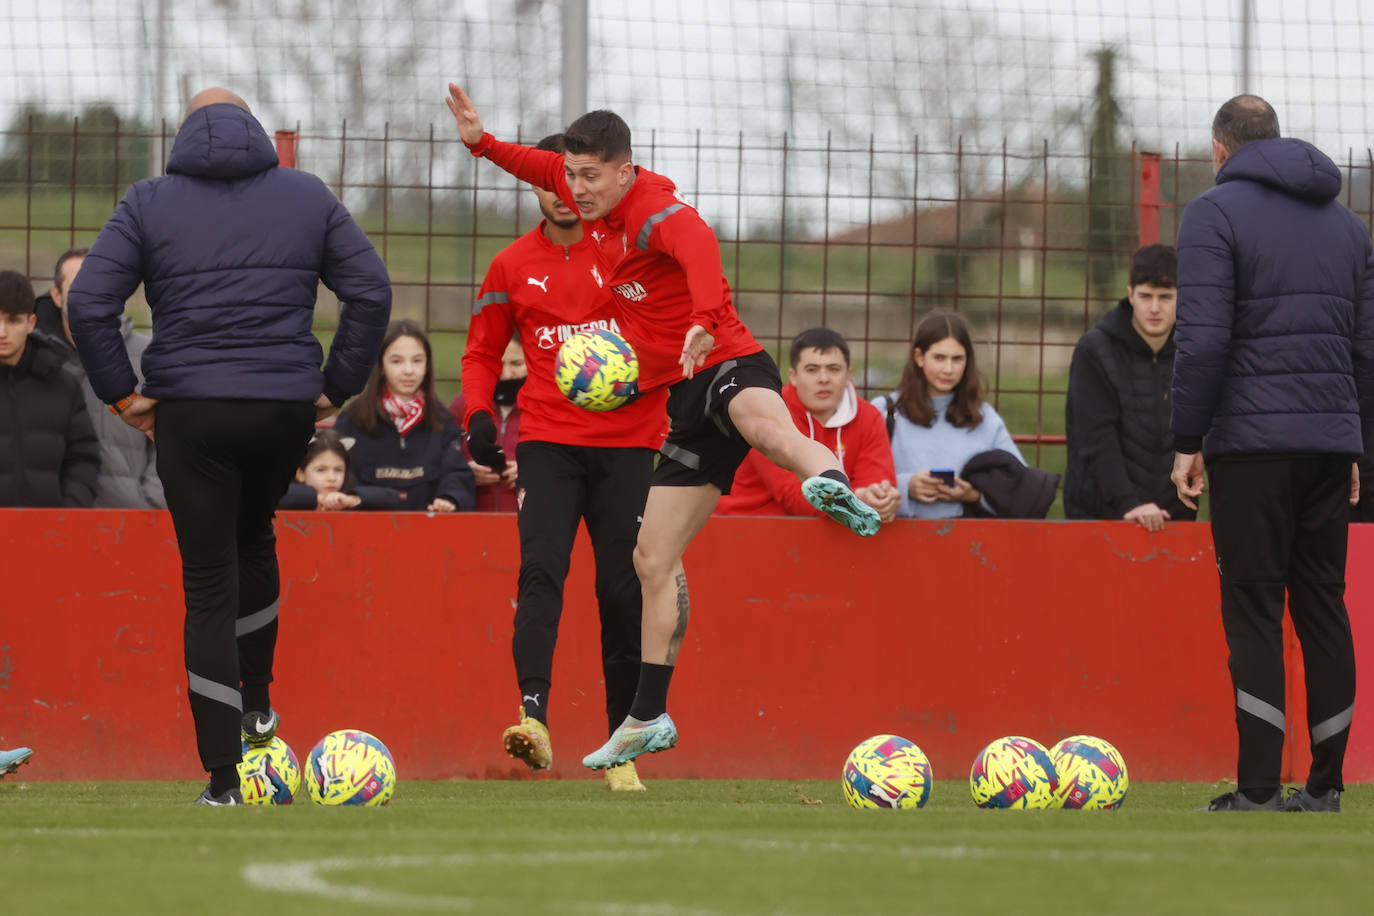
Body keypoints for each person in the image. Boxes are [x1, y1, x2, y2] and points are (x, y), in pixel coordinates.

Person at [446, 85, 882, 771]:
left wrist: (706, 321)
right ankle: (646, 715)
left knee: (762, 424)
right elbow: (538, 167)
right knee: (650, 561)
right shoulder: (575, 202)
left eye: (591, 176)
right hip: (667, 397)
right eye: (573, 175)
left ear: (625, 170)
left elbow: (698, 242)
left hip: (723, 359)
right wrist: (481, 145)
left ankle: (829, 479)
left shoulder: (650, 210)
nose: (576, 188)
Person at [66, 88, 392, 806]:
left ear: (185, 133)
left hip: (191, 412)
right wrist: (332, 386)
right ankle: (259, 706)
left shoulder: (150, 200)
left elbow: (87, 302)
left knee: (208, 583)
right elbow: (369, 289)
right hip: (282, 411)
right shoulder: (306, 195)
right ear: (254, 131)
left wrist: (124, 396)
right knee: (255, 538)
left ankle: (222, 778)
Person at [1171, 95, 1368, 813]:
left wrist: (1187, 440)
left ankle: (1256, 789)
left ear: (1221, 149)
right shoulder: (1349, 227)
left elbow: (1205, 339)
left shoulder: (1212, 215)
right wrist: (1355, 444)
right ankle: (1325, 786)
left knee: (1254, 606)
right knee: (1322, 604)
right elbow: (1366, 351)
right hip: (1328, 444)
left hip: (1251, 447)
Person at [459, 133, 673, 790]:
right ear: (533, 185)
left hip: (630, 444)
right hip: (549, 442)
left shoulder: (632, 248)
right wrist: (478, 420)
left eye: (577, 178)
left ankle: (621, 747)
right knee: (541, 573)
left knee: (620, 590)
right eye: (550, 180)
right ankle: (533, 720)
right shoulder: (511, 265)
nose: (563, 192)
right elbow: (481, 356)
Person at [1064, 244, 1193, 531]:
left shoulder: (1193, 352)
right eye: (1146, 296)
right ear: (1130, 294)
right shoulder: (1095, 350)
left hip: (1173, 518)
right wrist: (1129, 504)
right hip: (1100, 515)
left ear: (1181, 298)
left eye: (1166, 297)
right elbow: (1096, 437)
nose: (1155, 308)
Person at [717, 327, 899, 523]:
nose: (823, 379)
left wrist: (880, 497)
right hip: (742, 529)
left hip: (828, 534)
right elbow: (793, 497)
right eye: (812, 370)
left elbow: (876, 481)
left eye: (834, 369)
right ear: (793, 376)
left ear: (849, 375)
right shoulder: (767, 413)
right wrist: (860, 499)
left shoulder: (869, 416)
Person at [43, 247, 166, 509]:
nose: (89, 292)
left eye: (97, 283)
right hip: (58, 521)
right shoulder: (39, 361)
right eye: (78, 285)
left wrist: (152, 501)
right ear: (56, 295)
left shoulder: (147, 355)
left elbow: (172, 435)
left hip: (136, 520)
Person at [873, 311, 1025, 519]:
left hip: (966, 543)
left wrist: (972, 495)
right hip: (894, 540)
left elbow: (1021, 486)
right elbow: (856, 481)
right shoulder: (883, 411)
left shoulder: (984, 417)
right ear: (919, 357)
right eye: (939, 358)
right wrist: (906, 486)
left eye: (957, 358)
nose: (948, 369)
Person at [334, 319, 475, 513]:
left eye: (417, 360)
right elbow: (337, 475)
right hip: (364, 530)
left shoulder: (443, 422)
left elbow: (457, 474)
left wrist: (449, 498)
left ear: (427, 365)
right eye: (396, 361)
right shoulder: (351, 420)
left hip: (428, 532)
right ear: (381, 365)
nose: (408, 370)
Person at [0, 269, 99, 507]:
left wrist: (68, 513)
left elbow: (83, 458)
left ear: (30, 323)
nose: (2, 332)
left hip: (50, 536)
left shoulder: (63, 385)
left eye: (13, 320)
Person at [451, 336, 525, 512]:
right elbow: (440, 457)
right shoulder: (462, 406)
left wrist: (533, 470)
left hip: (530, 524)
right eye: (499, 363)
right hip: (471, 523)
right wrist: (464, 470)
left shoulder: (545, 408)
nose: (506, 374)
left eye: (516, 364)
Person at [278, 428, 395, 511]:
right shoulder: (288, 498)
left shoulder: (345, 500)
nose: (332, 478)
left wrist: (351, 500)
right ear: (300, 473)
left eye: (338, 470)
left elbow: (391, 497)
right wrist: (316, 499)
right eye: (321, 470)